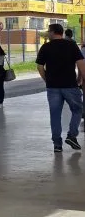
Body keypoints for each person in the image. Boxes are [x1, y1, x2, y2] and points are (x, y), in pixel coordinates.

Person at [35, 23, 85, 153]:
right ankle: (72, 136)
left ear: (52, 32)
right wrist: (80, 79)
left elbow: (40, 66)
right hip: (70, 85)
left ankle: (57, 144)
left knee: (55, 114)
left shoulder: (46, 47)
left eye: (49, 31)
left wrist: (47, 79)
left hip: (53, 87)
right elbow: (81, 64)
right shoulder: (71, 45)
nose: (48, 33)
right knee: (77, 109)